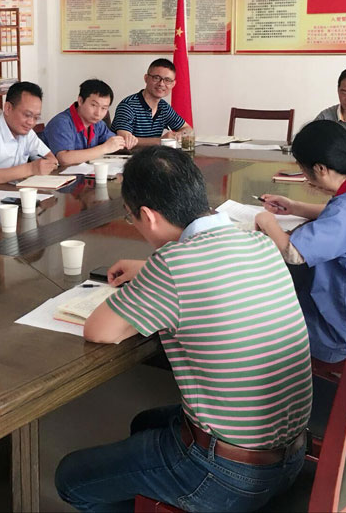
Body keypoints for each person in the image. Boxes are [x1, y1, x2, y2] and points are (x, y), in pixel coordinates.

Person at [54, 147, 312, 512]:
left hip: (229, 475)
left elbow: (99, 330)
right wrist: (148, 269)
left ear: (147, 215)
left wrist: (155, 270)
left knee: (71, 478)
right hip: (292, 455)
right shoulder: (260, 244)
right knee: (145, 423)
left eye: (131, 217)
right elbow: (206, 270)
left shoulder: (173, 265)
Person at [255, 120, 346, 363]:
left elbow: (293, 252)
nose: (305, 177)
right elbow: (344, 221)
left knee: (256, 310)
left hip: (344, 338)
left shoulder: (345, 213)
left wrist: (266, 220)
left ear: (321, 169)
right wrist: (294, 206)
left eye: (304, 170)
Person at [0, 81, 58, 186]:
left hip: (12, 191)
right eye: (27, 115)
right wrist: (31, 168)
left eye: (36, 117)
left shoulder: (27, 132)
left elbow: (51, 159)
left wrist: (48, 164)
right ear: (8, 108)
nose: (31, 122)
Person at [43, 79, 137, 164]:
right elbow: (64, 159)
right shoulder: (61, 123)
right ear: (80, 101)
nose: (98, 113)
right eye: (93, 105)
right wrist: (104, 148)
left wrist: (127, 141)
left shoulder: (98, 124)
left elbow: (113, 142)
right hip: (55, 175)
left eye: (104, 108)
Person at [111, 58, 191, 145]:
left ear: (173, 84)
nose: (161, 84)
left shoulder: (164, 107)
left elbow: (187, 128)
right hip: (126, 154)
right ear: (146, 78)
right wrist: (161, 141)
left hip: (153, 153)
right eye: (156, 78)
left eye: (167, 80)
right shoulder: (128, 106)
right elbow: (124, 141)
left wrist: (179, 135)